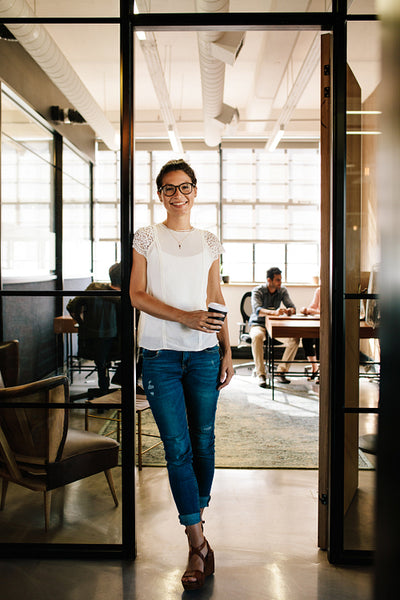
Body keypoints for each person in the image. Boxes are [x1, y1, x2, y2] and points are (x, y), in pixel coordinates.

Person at [129, 158, 234, 591]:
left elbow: (215, 296)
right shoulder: (146, 237)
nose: (178, 195)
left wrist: (228, 349)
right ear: (160, 194)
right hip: (159, 356)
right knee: (177, 447)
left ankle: (197, 524)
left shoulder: (209, 241)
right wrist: (183, 318)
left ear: (195, 191)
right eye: (169, 188)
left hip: (205, 355)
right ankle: (197, 541)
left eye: (185, 187)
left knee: (203, 441)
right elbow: (136, 294)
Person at [67, 262, 121, 396]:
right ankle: (114, 383)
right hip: (115, 344)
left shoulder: (93, 288)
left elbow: (72, 307)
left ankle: (104, 386)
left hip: (90, 339)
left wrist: (82, 324)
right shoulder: (123, 297)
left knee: (101, 361)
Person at [249, 267, 299, 387]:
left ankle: (281, 371)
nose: (280, 282)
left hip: (275, 325)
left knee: (294, 339)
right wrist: (274, 312)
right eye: (277, 280)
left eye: (280, 279)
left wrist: (289, 311)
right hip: (259, 324)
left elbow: (293, 307)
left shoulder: (282, 291)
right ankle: (261, 374)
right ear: (269, 280)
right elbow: (258, 311)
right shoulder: (257, 291)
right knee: (257, 336)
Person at [300, 286, 320, 382]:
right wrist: (306, 309)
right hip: (318, 322)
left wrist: (313, 311)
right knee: (306, 337)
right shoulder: (319, 290)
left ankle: (323, 370)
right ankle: (314, 366)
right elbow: (313, 306)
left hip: (330, 324)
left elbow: (328, 312)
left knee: (321, 339)